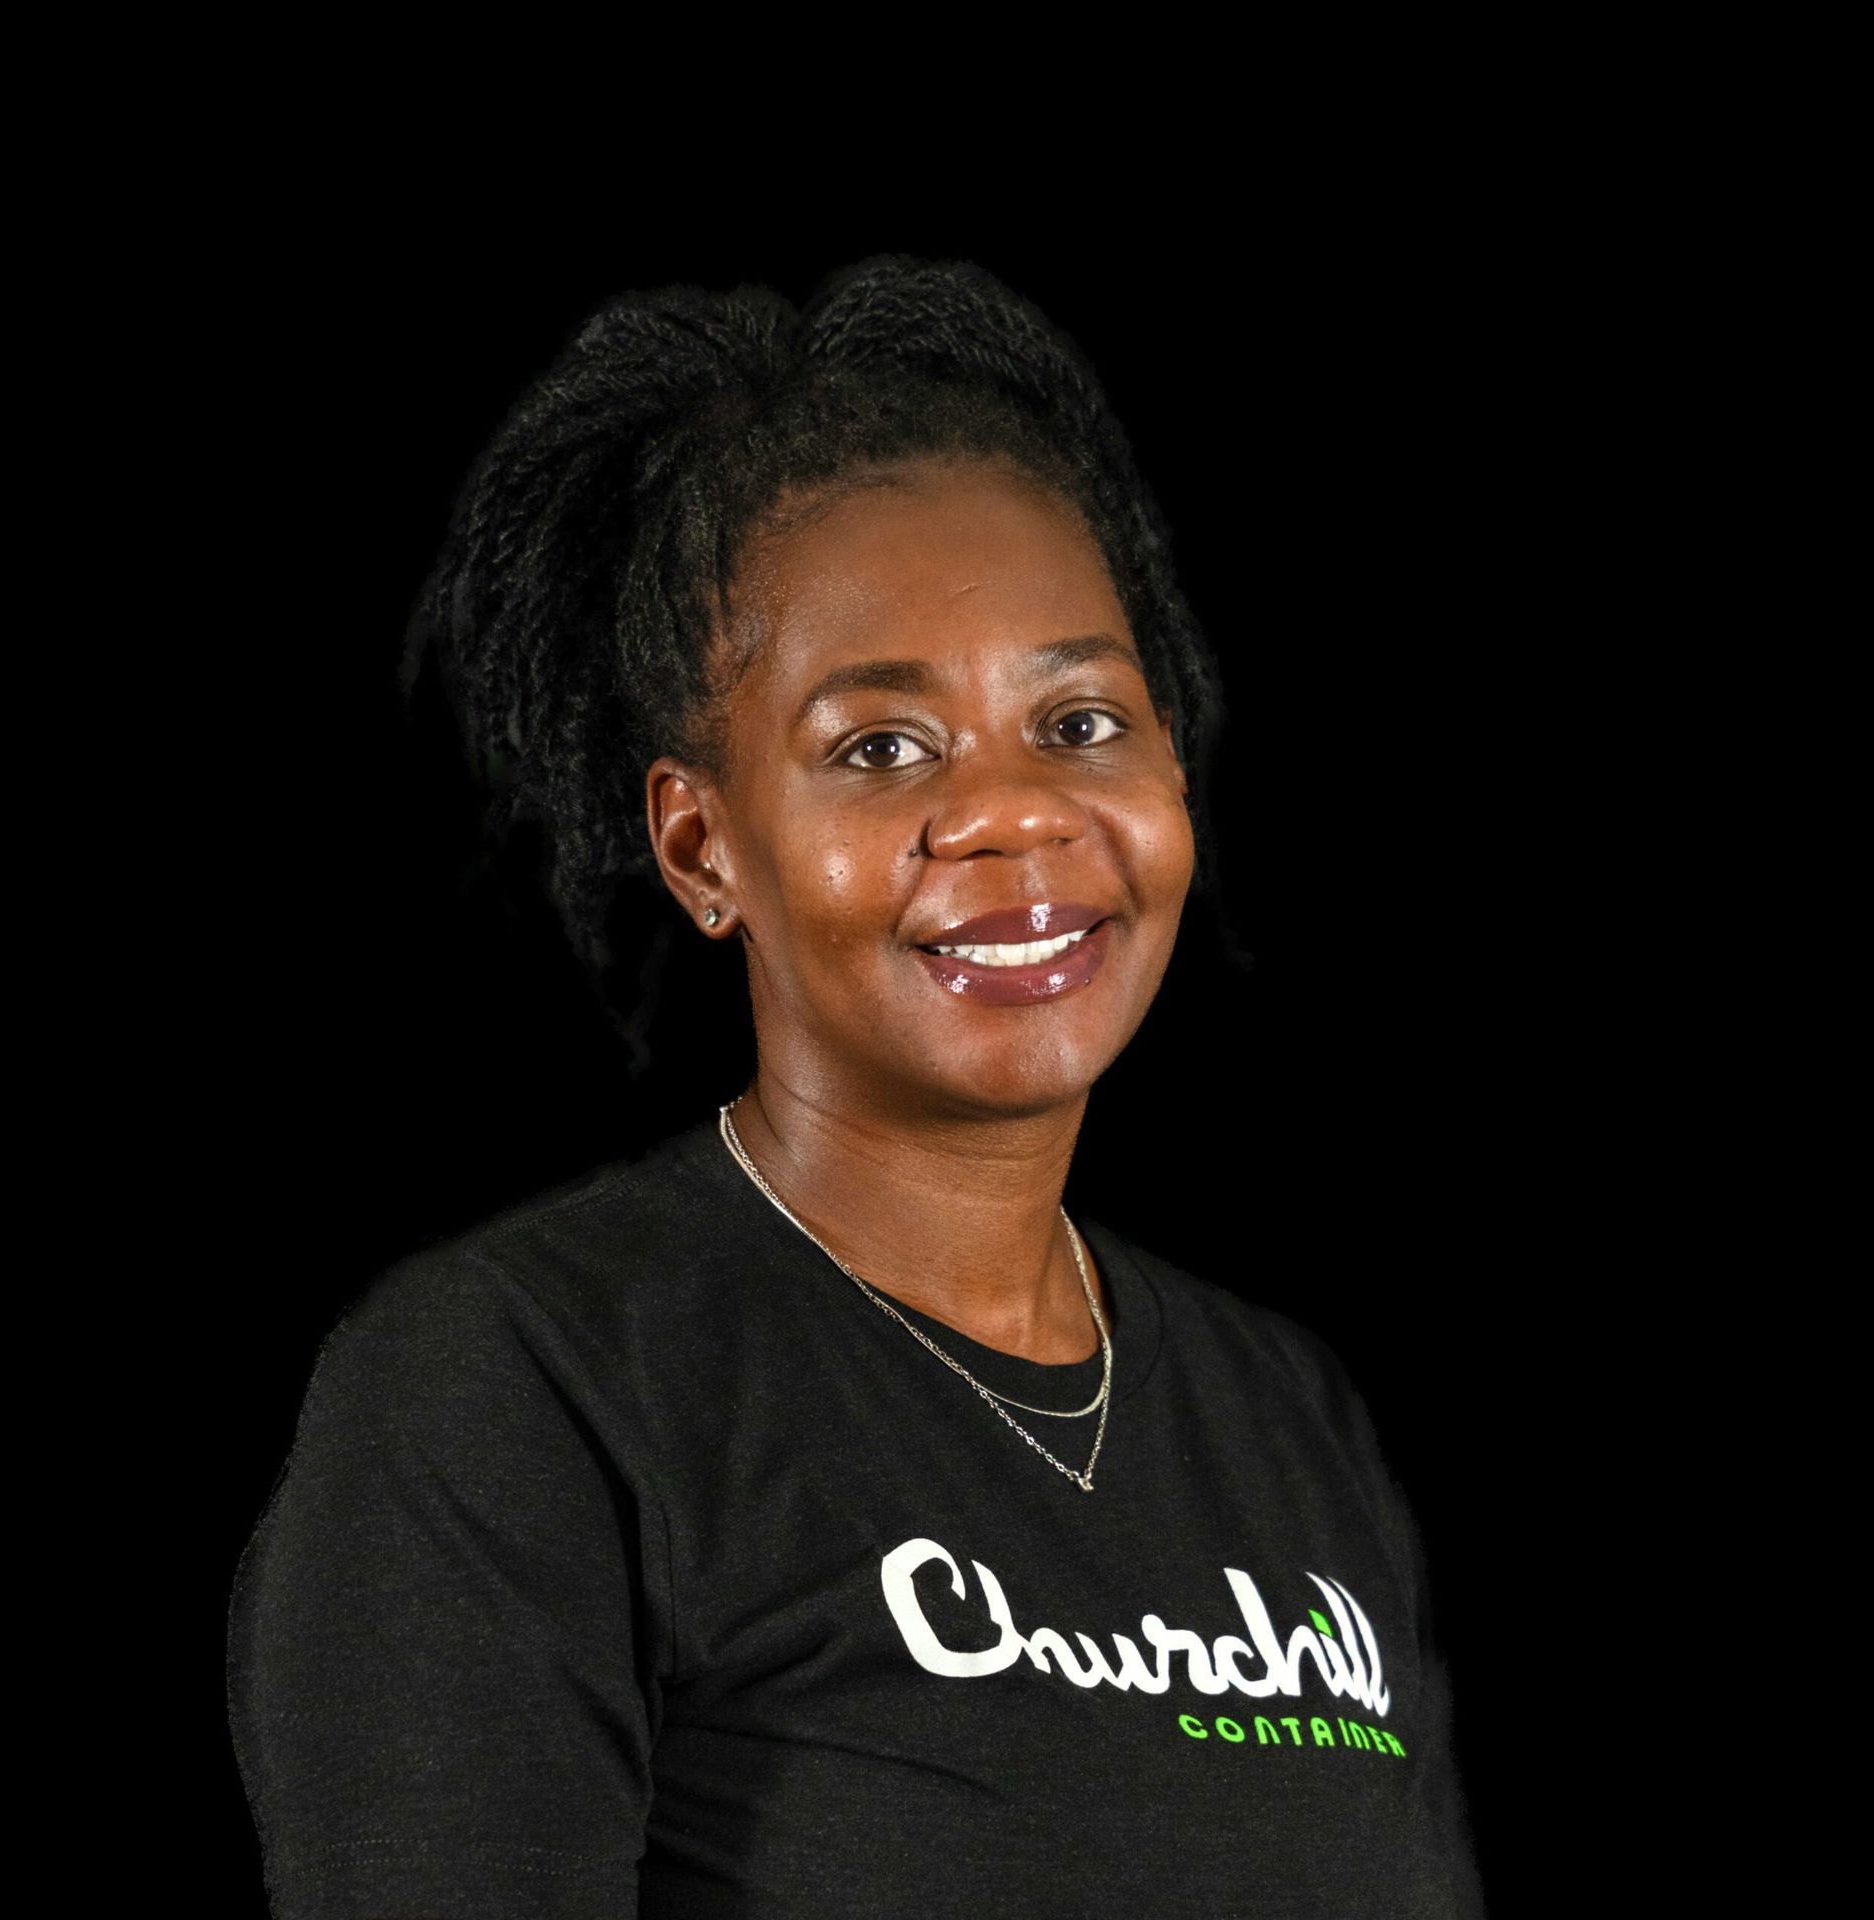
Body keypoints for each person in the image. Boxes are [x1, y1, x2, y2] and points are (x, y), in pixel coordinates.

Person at [226, 254, 1485, 1918]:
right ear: (703, 845)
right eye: (882, 749)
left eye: (1082, 718)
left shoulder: (1286, 1418)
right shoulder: (519, 1390)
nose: (1014, 815)